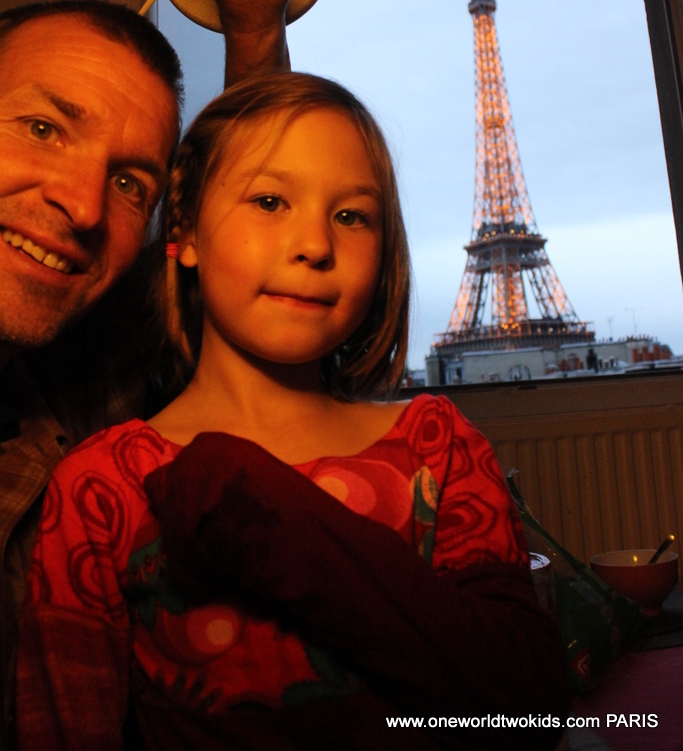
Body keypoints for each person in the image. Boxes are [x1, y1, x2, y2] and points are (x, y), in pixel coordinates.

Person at [17, 74, 570, 750]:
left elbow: (525, 706)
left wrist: (254, 504)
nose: (315, 244)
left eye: (352, 216)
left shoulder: (440, 445)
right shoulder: (100, 487)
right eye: (270, 201)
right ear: (185, 231)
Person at [0, 0, 297, 750]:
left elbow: (246, 277)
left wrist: (253, 20)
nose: (83, 204)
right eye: (42, 128)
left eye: (131, 183)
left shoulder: (85, 387)